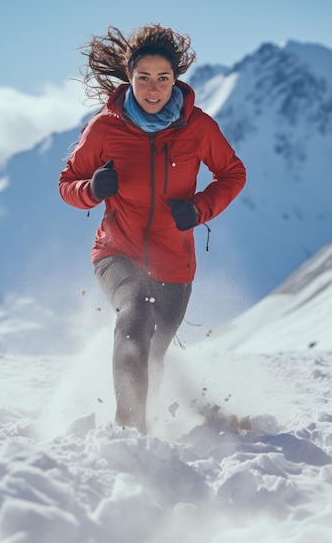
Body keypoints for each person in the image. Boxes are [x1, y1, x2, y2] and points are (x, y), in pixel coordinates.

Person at [59, 23, 246, 434]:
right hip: (116, 252)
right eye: (144, 78)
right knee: (136, 316)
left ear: (175, 79)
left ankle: (156, 415)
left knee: (154, 349)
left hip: (175, 263)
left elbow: (233, 174)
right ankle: (130, 433)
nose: (153, 88)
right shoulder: (105, 128)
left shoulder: (197, 127)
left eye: (163, 78)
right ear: (130, 78)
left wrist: (199, 209)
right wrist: (91, 188)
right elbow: (66, 184)